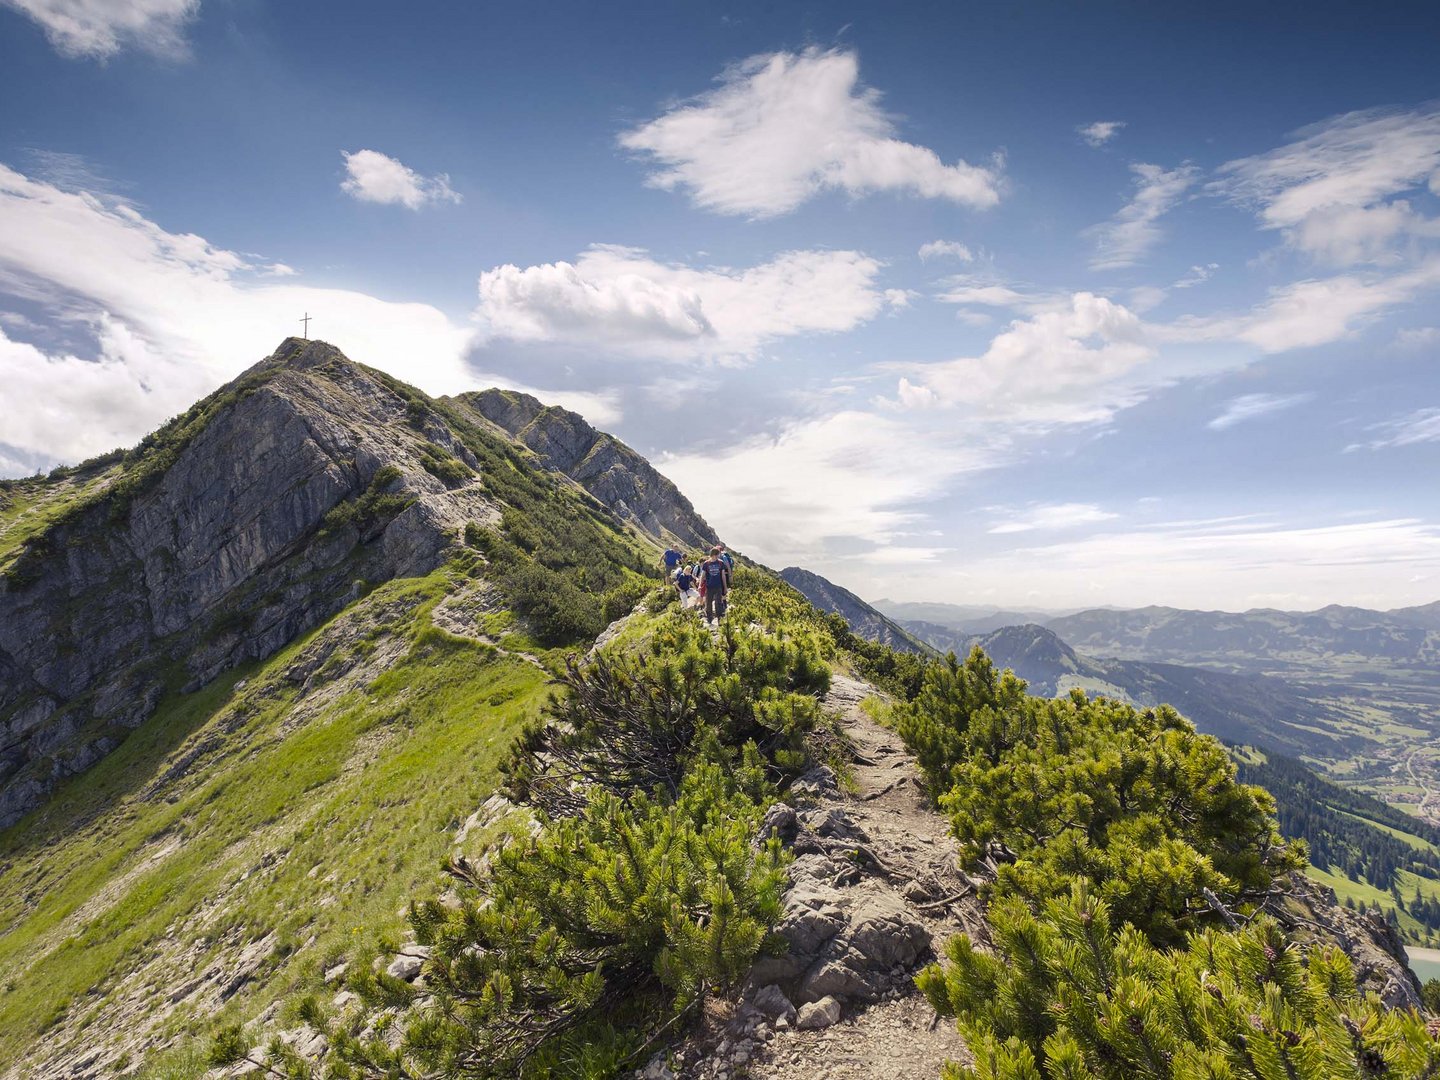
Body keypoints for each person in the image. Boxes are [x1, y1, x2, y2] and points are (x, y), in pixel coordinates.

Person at [700, 545, 730, 623]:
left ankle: (719, 618)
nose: (718, 556)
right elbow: (702, 575)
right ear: (713, 555)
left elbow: (723, 576)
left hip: (718, 586)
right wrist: (700, 585)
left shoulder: (721, 563)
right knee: (708, 602)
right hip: (709, 586)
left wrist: (725, 587)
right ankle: (709, 618)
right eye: (717, 555)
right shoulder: (706, 563)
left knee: (718, 602)